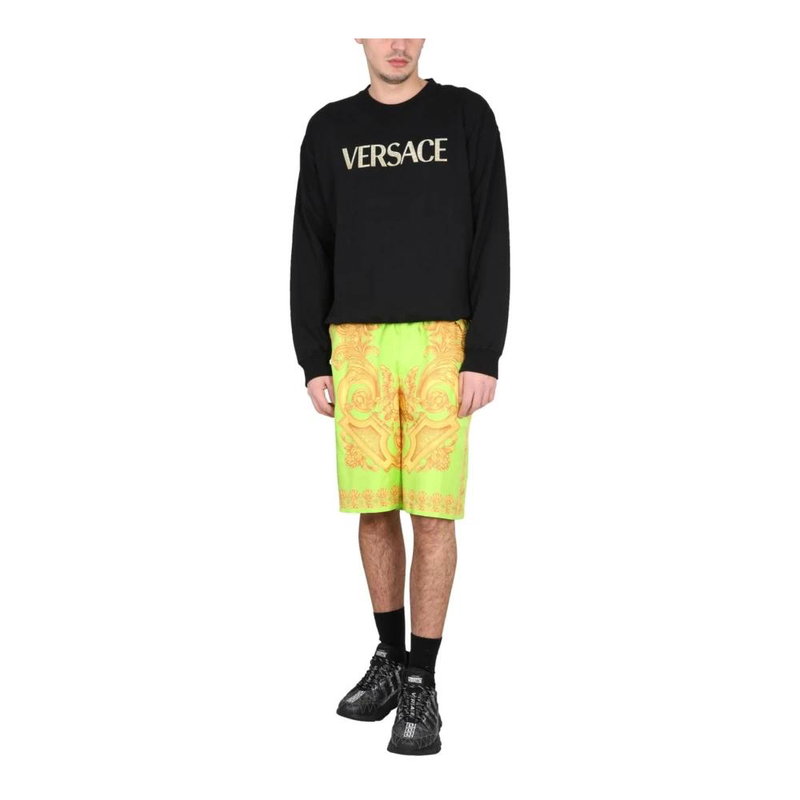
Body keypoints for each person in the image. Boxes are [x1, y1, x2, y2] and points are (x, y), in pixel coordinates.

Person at [289, 38, 510, 755]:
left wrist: (484, 352)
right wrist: (311, 357)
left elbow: (493, 234)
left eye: (409, 24)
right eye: (380, 26)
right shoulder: (330, 128)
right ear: (357, 34)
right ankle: (389, 659)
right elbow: (310, 242)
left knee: (434, 514)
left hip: (444, 339)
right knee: (374, 508)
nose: (395, 42)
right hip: (355, 343)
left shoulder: (466, 116)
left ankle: (422, 680)